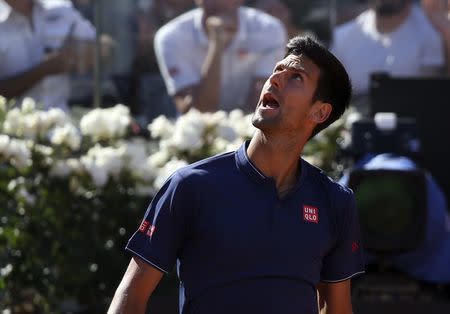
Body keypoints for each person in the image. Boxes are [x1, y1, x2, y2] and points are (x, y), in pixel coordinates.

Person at [108, 35, 365, 314]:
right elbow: (131, 295)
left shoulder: (336, 202)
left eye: (296, 78)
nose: (275, 80)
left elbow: (336, 308)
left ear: (320, 112)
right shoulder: (191, 185)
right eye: (277, 70)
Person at [154, 0, 287, 114]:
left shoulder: (269, 29)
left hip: (250, 130)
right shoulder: (170, 37)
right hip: (196, 138)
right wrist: (216, 46)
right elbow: (197, 112)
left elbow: (263, 104)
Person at [331, 0, 448, 115]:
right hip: (355, 126)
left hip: (416, 126)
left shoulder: (434, 31)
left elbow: (433, 93)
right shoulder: (343, 37)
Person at [0, 0, 96, 111]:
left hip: (62, 120)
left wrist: (78, 53)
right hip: (16, 126)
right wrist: (45, 69)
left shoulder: (60, 9)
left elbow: (104, 47)